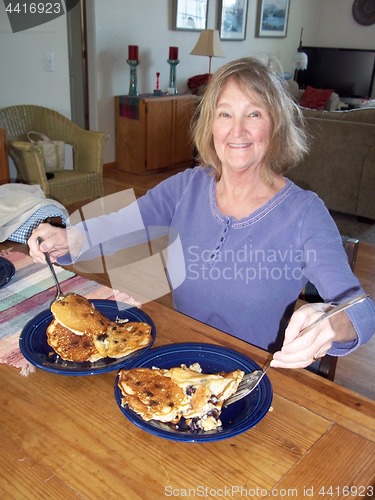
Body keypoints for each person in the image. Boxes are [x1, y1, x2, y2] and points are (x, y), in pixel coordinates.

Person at [28, 57, 375, 370]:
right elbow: (121, 225)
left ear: (276, 125)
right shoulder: (187, 187)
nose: (237, 130)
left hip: (253, 377)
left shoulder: (304, 213)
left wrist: (332, 322)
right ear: (210, 124)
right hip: (178, 363)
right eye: (225, 113)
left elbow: (360, 309)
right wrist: (69, 236)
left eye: (254, 113)